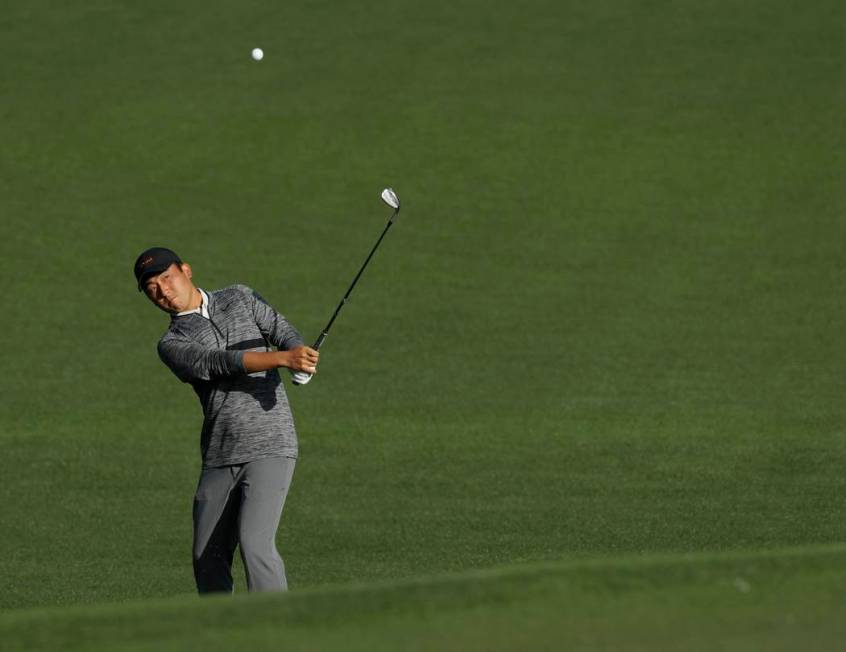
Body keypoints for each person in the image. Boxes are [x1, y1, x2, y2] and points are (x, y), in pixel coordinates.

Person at [133, 246, 319, 594]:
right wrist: (283, 359)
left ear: (185, 270)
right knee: (207, 556)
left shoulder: (239, 297)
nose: (163, 291)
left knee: (255, 543)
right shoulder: (172, 343)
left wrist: (299, 355)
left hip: (271, 444)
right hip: (220, 453)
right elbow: (219, 362)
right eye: (152, 287)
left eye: (167, 278)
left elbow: (281, 329)